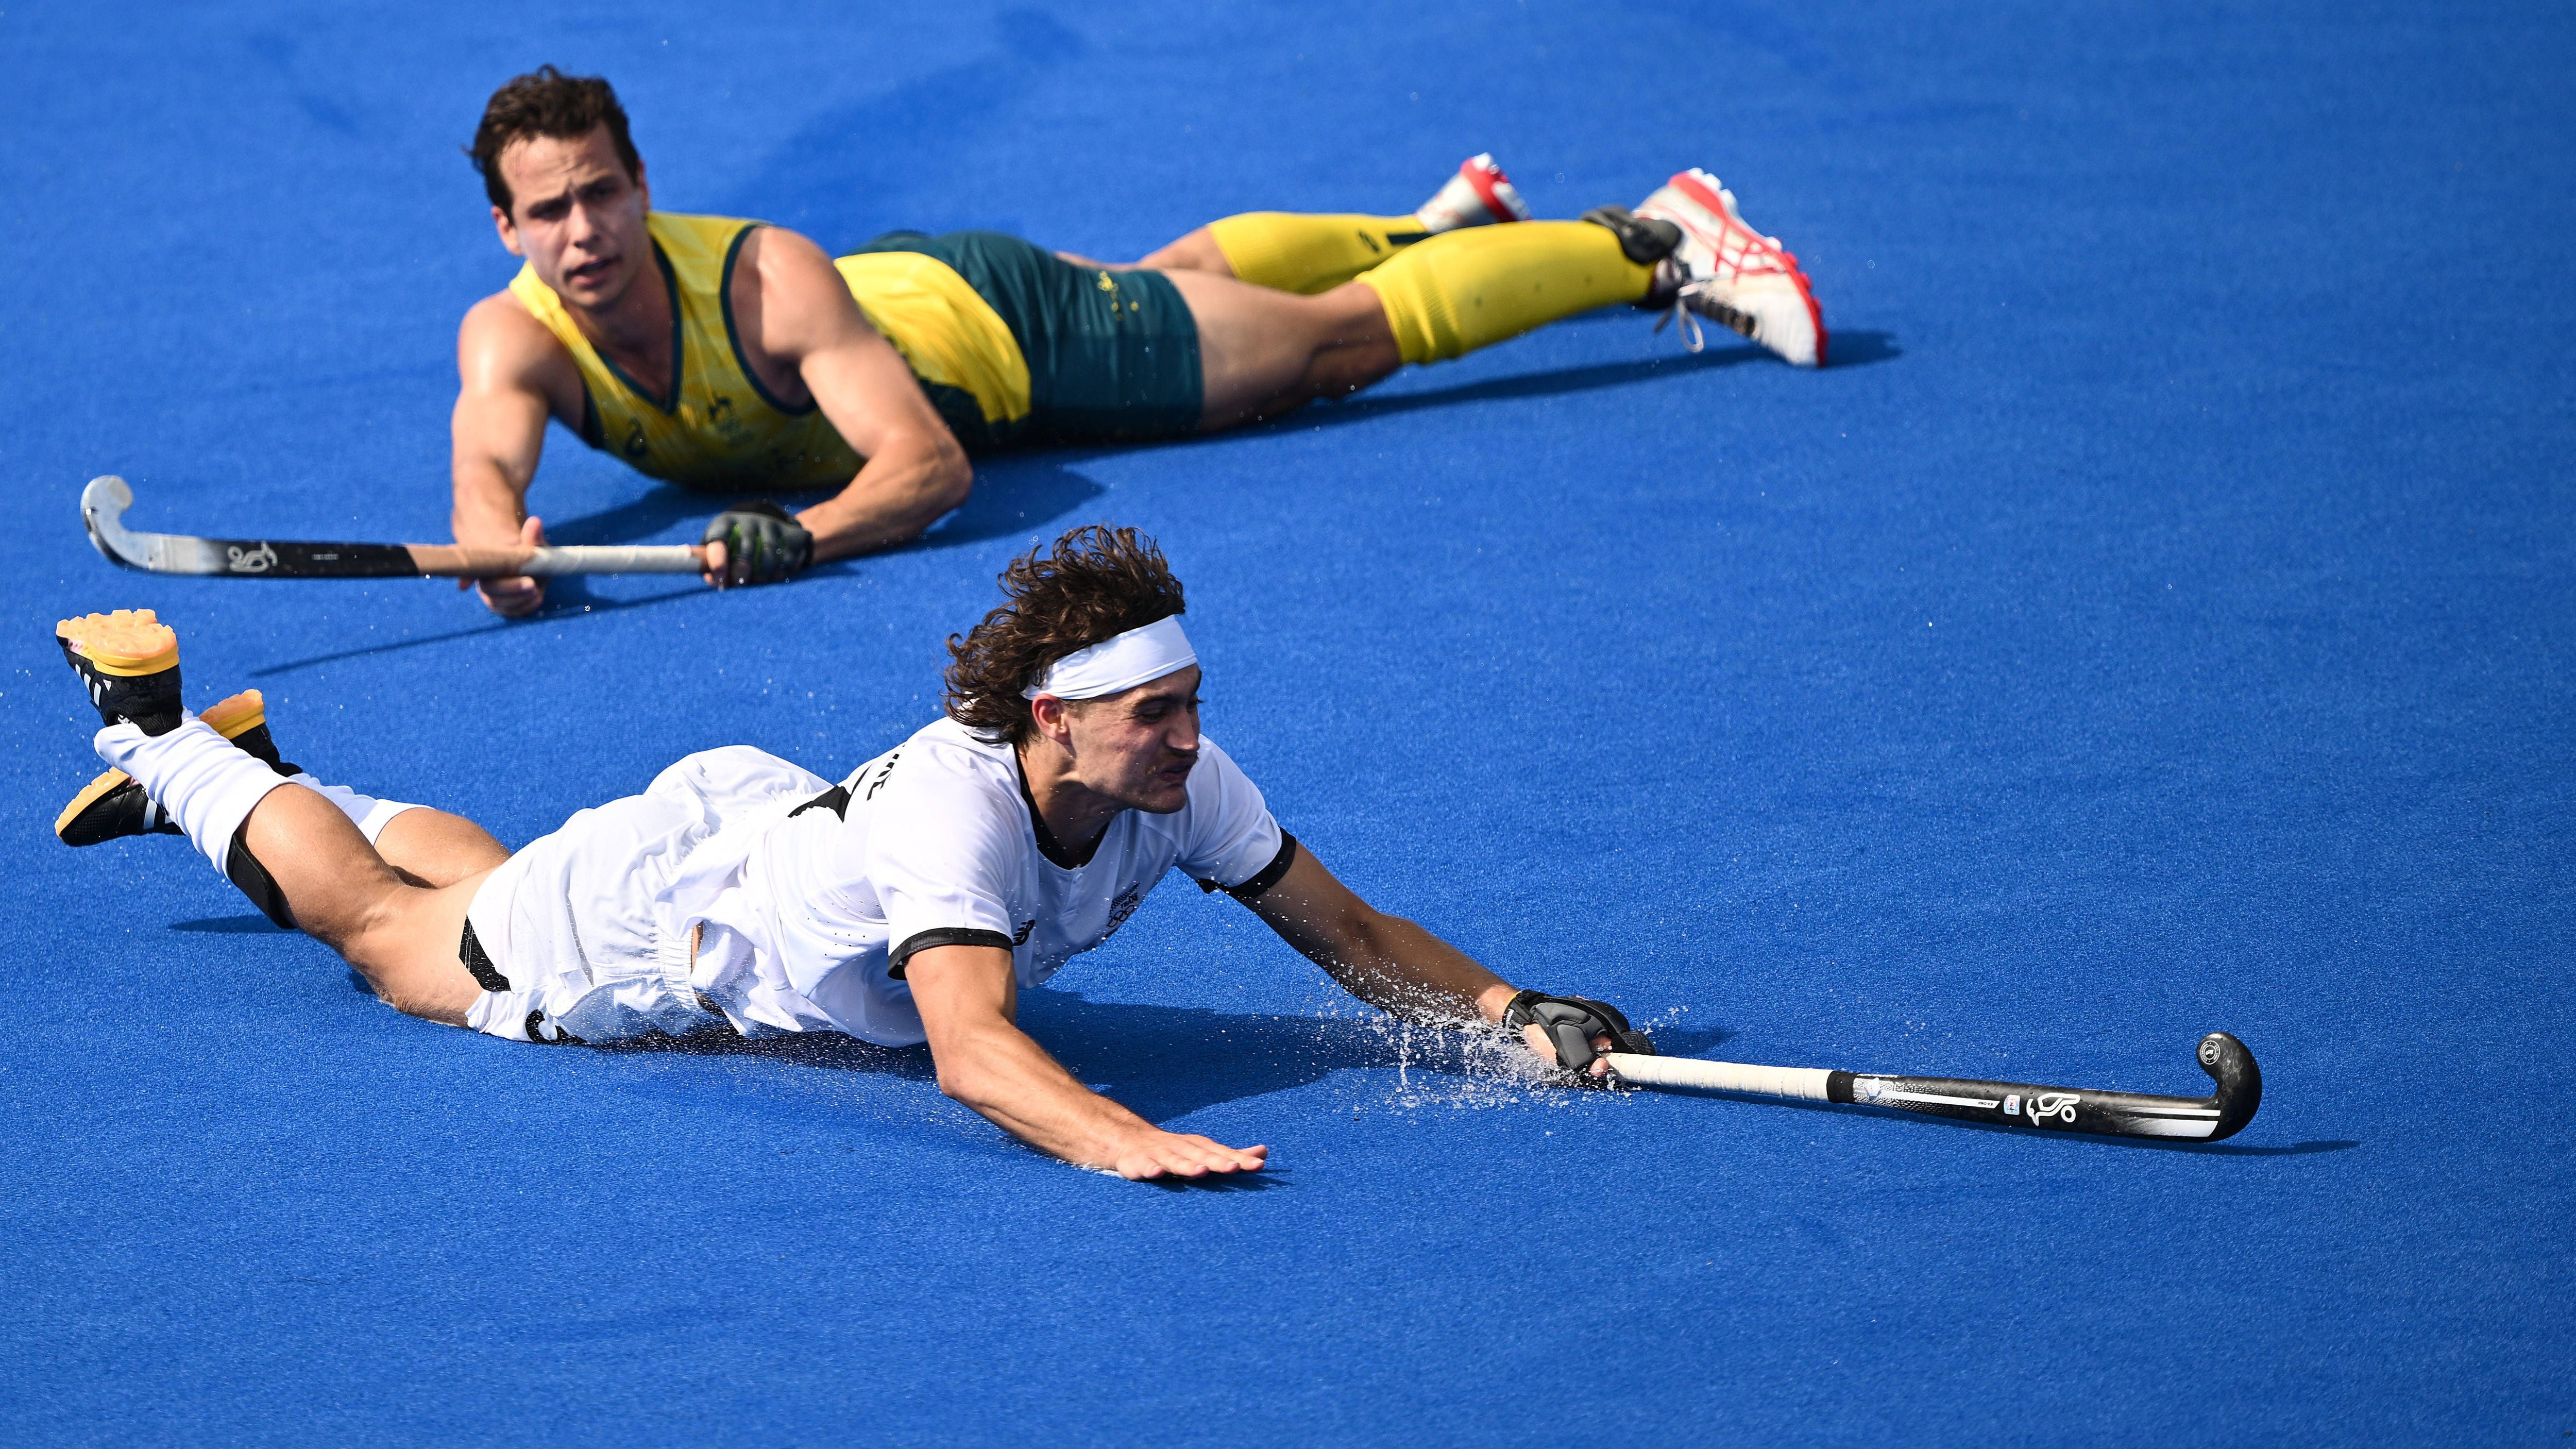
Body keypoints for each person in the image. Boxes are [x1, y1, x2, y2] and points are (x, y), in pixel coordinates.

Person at [51, 526, 1654, 1180]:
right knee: (387, 939)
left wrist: (1507, 1007)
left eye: (1191, 704)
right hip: (652, 927)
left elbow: (1344, 924)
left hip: (743, 831)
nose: (1188, 734)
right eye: (1156, 712)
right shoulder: (959, 817)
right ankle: (164, 735)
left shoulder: (1176, 780)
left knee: (468, 883)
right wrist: (1126, 1138)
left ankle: (277, 769)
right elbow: (971, 1049)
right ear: (1056, 721)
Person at [453, 67, 1826, 616]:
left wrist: (803, 535)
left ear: (642, 185)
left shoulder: (759, 282)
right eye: (548, 211)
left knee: (1322, 355)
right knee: (1184, 286)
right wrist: (506, 564)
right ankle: (1445, 230)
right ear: (507, 230)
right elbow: (484, 508)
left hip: (1009, 340)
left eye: (603, 194)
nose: (583, 231)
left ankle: (1651, 243)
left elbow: (925, 472)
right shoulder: (511, 345)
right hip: (928, 307)